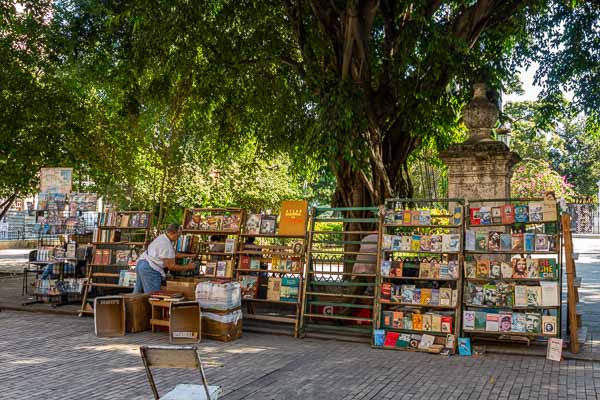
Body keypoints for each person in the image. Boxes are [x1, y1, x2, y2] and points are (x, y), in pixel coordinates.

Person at [134, 224, 195, 294]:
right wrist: (188, 267)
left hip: (142, 263)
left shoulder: (163, 237)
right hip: (150, 268)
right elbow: (171, 266)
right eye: (178, 236)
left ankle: (130, 304)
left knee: (138, 293)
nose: (178, 238)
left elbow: (172, 254)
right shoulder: (166, 245)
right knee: (152, 296)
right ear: (172, 233)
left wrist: (189, 256)